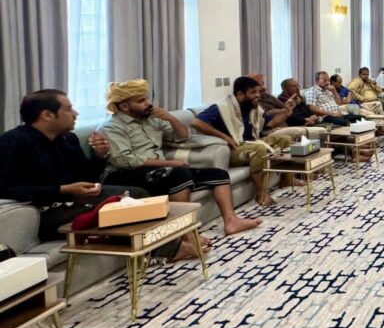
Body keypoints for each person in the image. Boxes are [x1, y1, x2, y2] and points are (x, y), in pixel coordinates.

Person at [0, 90, 195, 261]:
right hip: (44, 209)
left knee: (137, 194)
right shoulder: (14, 141)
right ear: (47, 115)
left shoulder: (67, 138)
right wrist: (62, 190)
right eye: (69, 109)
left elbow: (87, 174)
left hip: (75, 197)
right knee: (124, 205)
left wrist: (100, 156)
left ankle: (170, 244)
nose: (75, 114)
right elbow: (6, 188)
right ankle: (171, 249)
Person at [99, 79, 261, 236]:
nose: (148, 103)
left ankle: (231, 221)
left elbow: (183, 136)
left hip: (157, 169)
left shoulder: (151, 120)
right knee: (178, 174)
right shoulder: (112, 126)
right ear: (124, 106)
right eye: (141, 101)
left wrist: (170, 117)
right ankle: (186, 234)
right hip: (122, 174)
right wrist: (169, 163)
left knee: (218, 173)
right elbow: (124, 160)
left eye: (147, 98)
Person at [192, 77, 293, 206]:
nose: (258, 95)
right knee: (259, 149)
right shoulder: (222, 107)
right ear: (240, 94)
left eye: (258, 92)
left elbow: (271, 124)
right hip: (232, 149)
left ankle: (286, 180)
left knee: (285, 139)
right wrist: (225, 137)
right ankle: (261, 193)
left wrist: (285, 112)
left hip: (252, 142)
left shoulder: (252, 108)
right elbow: (196, 122)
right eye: (253, 92)